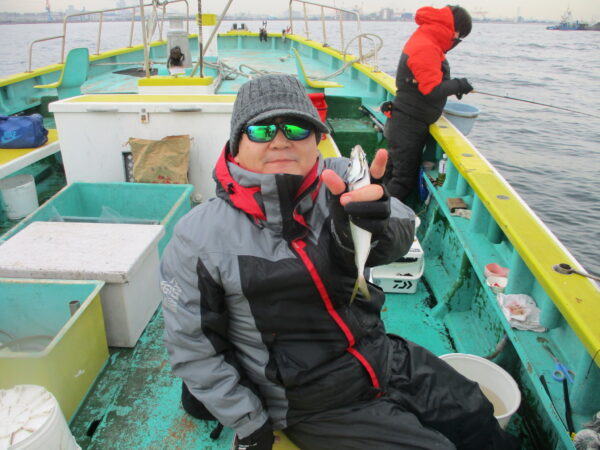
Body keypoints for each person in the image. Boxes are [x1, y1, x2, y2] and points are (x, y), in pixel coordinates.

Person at [160, 74, 518, 449]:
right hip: (311, 402)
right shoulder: (198, 237)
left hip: (383, 355)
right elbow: (194, 349)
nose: (280, 140)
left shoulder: (344, 178)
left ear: (316, 138)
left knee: (475, 411)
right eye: (261, 130)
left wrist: (378, 222)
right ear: (237, 144)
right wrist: (250, 423)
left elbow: (399, 233)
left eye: (296, 128)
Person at [384, 5, 474, 203]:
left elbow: (427, 81)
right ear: (455, 30)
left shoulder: (428, 39)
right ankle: (379, 217)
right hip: (407, 125)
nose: (458, 40)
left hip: (406, 121)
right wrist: (459, 84)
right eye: (460, 35)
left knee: (392, 174)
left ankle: (375, 210)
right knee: (402, 181)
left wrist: (454, 87)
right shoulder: (427, 46)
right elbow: (431, 90)